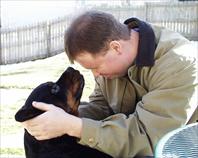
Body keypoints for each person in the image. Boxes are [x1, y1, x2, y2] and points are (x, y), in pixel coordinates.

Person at [22, 10, 198, 157]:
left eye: (96, 67)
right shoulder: (110, 69)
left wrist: (72, 125)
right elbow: (101, 108)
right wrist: (53, 119)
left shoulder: (179, 63)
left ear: (116, 47)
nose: (95, 74)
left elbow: (150, 139)